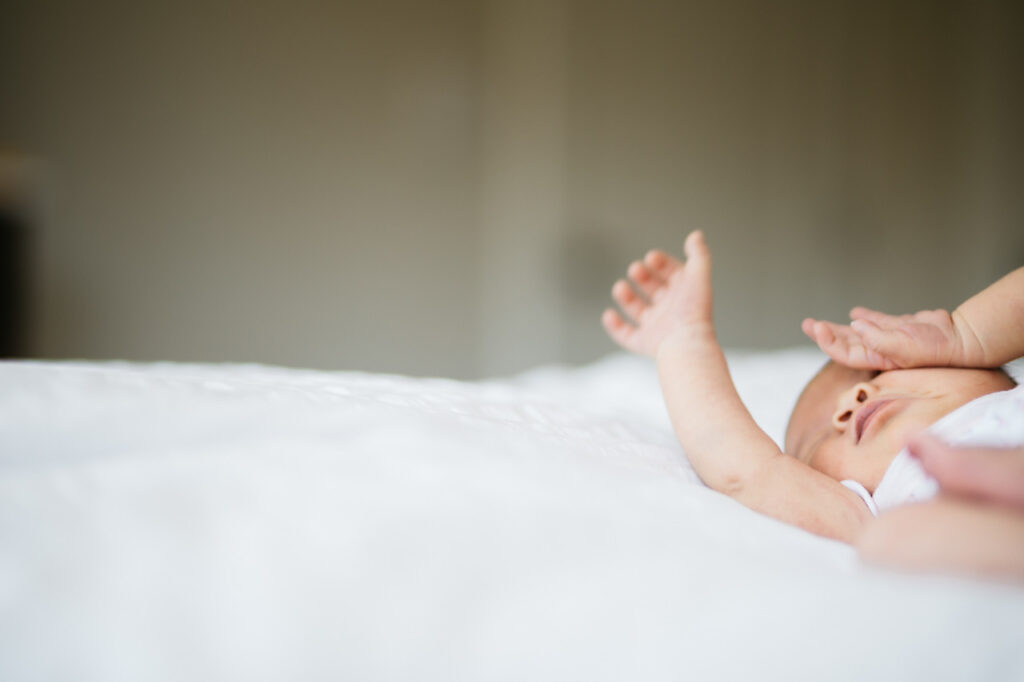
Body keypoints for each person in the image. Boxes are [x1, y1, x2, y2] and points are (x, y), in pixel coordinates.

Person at [601, 231, 1023, 554]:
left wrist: (964, 333)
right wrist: (684, 340)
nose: (852, 400)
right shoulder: (876, 507)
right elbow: (747, 468)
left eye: (877, 373)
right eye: (820, 436)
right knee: (890, 544)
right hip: (973, 529)